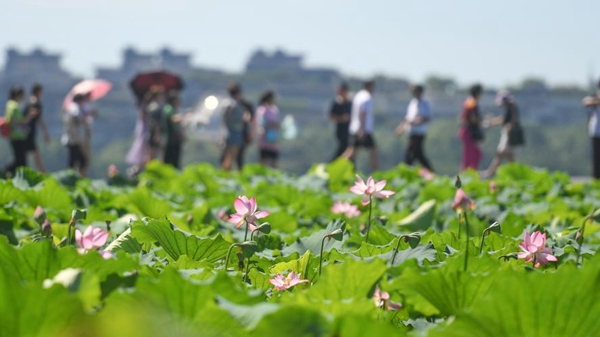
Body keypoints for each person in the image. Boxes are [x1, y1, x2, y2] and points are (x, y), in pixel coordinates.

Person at [484, 91, 523, 177]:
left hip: (509, 135)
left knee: (500, 154)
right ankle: (515, 174)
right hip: (509, 134)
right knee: (509, 157)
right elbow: (503, 119)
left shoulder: (511, 108)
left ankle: (490, 172)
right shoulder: (512, 108)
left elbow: (507, 122)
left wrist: (491, 123)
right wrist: (492, 122)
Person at [396, 84, 434, 171]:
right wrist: (401, 128)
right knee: (415, 155)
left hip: (419, 132)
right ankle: (429, 172)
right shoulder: (413, 103)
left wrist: (415, 122)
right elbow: (408, 118)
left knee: (413, 155)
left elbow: (426, 118)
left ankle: (430, 172)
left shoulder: (424, 103)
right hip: (412, 132)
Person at [343, 80, 378, 171]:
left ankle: (338, 167)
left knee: (351, 151)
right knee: (372, 151)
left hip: (355, 128)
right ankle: (376, 173)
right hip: (363, 129)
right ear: (370, 86)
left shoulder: (358, 95)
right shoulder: (367, 97)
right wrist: (362, 129)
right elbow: (363, 113)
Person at [4, 86, 38, 177]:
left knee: (19, 160)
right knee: (21, 162)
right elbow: (21, 121)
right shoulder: (14, 106)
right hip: (17, 136)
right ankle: (6, 172)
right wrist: (30, 115)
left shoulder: (9, 104)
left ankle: (9, 174)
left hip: (14, 136)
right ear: (18, 95)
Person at [221, 83, 251, 171]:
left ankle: (225, 172)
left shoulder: (225, 103)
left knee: (228, 154)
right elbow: (239, 119)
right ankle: (226, 173)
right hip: (235, 131)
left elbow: (224, 119)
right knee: (232, 155)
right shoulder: (235, 105)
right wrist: (245, 118)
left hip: (228, 130)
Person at [24, 83, 51, 173]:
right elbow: (39, 119)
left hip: (25, 131)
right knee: (37, 156)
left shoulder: (28, 102)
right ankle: (44, 175)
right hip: (30, 132)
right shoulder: (36, 103)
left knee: (25, 155)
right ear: (38, 92)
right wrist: (45, 133)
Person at [458, 84, 484, 171]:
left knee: (476, 154)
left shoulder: (470, 101)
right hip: (468, 131)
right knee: (469, 155)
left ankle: (472, 171)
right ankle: (465, 174)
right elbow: (472, 117)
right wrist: (481, 121)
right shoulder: (472, 102)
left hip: (468, 131)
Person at [61, 94, 89, 176]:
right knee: (81, 161)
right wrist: (83, 120)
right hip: (74, 139)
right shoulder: (75, 107)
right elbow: (75, 117)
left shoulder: (70, 107)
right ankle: (72, 178)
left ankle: (72, 177)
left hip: (71, 138)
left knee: (73, 161)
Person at [256, 90, 281, 169]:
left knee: (274, 162)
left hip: (273, 139)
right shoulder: (262, 110)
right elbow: (262, 124)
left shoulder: (275, 110)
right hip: (264, 139)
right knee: (263, 162)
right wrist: (273, 124)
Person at [329, 82, 352, 161]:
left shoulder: (350, 103)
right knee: (344, 150)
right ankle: (332, 164)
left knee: (349, 151)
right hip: (341, 131)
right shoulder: (337, 103)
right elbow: (331, 116)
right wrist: (342, 118)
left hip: (349, 131)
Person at [162, 91, 185, 169]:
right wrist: (183, 117)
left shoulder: (174, 109)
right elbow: (172, 118)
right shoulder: (169, 108)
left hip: (175, 139)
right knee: (170, 160)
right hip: (171, 139)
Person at [583, 80, 600, 179]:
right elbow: (585, 102)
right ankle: (596, 179)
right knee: (597, 159)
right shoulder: (595, 96)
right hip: (597, 132)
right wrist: (597, 100)